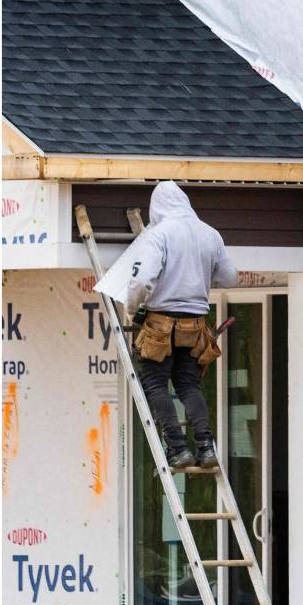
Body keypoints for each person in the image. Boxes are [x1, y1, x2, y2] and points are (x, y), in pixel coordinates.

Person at [96, 181, 237, 468]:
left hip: (160, 323)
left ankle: (177, 448)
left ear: (157, 207)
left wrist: (131, 311)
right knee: (188, 385)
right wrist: (198, 276)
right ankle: (206, 447)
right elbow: (230, 277)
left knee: (155, 384)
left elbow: (141, 279)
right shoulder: (210, 234)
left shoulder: (158, 235)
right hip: (195, 326)